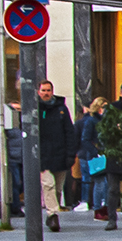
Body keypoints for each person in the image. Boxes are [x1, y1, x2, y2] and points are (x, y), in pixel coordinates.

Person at [33, 78, 75, 229]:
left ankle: (52, 211)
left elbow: (69, 132)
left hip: (60, 154)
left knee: (57, 189)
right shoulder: (35, 109)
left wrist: (71, 154)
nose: (46, 93)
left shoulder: (61, 110)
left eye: (48, 90)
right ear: (38, 92)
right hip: (44, 156)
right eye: (43, 90)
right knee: (48, 185)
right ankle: (53, 215)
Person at [79, 96, 114, 228]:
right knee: (100, 182)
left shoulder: (106, 122)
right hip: (96, 155)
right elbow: (85, 139)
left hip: (106, 154)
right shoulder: (91, 121)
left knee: (107, 182)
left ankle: (105, 208)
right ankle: (98, 209)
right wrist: (95, 152)